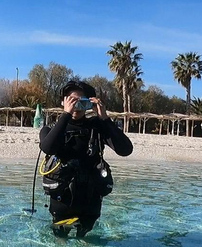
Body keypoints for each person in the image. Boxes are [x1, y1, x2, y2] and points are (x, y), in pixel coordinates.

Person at [39, 80, 132, 237]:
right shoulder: (50, 129)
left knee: (88, 243)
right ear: (63, 102)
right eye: (71, 100)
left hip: (90, 201)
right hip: (62, 201)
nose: (76, 106)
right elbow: (47, 148)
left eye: (81, 102)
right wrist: (66, 116)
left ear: (89, 104)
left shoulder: (97, 127)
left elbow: (125, 150)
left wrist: (104, 118)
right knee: (59, 241)